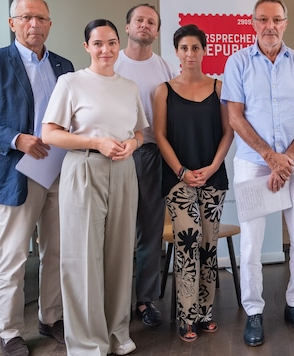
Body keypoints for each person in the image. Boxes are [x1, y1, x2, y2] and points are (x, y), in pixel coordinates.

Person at [0, 1, 73, 355]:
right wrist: (16, 139)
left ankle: (50, 317)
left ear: (49, 24)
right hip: (15, 174)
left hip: (59, 172)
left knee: (57, 252)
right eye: (26, 17)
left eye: (40, 18)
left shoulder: (63, 66)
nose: (34, 23)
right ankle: (9, 331)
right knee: (13, 256)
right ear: (12, 23)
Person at [41, 19, 147, 355]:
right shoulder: (70, 82)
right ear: (86, 47)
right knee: (83, 256)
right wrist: (95, 142)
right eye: (98, 43)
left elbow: (140, 132)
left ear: (119, 45)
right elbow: (49, 133)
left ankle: (117, 331)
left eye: (112, 42)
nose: (106, 50)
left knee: (119, 253)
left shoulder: (128, 86)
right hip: (84, 167)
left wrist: (132, 144)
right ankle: (88, 342)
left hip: (123, 170)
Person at [221, 0, 294, 346]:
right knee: (251, 244)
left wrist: (286, 159)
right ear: (252, 23)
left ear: (285, 23)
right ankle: (253, 311)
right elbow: (235, 117)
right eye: (262, 19)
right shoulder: (237, 62)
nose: (270, 26)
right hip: (253, 162)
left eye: (276, 19)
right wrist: (270, 157)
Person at [154, 24, 233, 343]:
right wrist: (182, 170)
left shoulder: (218, 87)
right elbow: (159, 135)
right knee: (187, 243)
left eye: (195, 48)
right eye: (184, 48)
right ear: (176, 52)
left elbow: (228, 132)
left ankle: (205, 312)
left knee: (208, 246)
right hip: (178, 180)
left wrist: (213, 165)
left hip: (213, 178)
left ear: (204, 51)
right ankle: (186, 316)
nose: (189, 54)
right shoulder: (164, 90)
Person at [114, 3, 179, 327]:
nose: (144, 25)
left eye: (151, 22)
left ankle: (145, 300)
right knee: (116, 232)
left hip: (152, 154)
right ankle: (116, 300)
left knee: (150, 231)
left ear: (157, 30)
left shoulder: (164, 68)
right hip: (115, 157)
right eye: (139, 20)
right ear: (127, 27)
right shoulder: (112, 63)